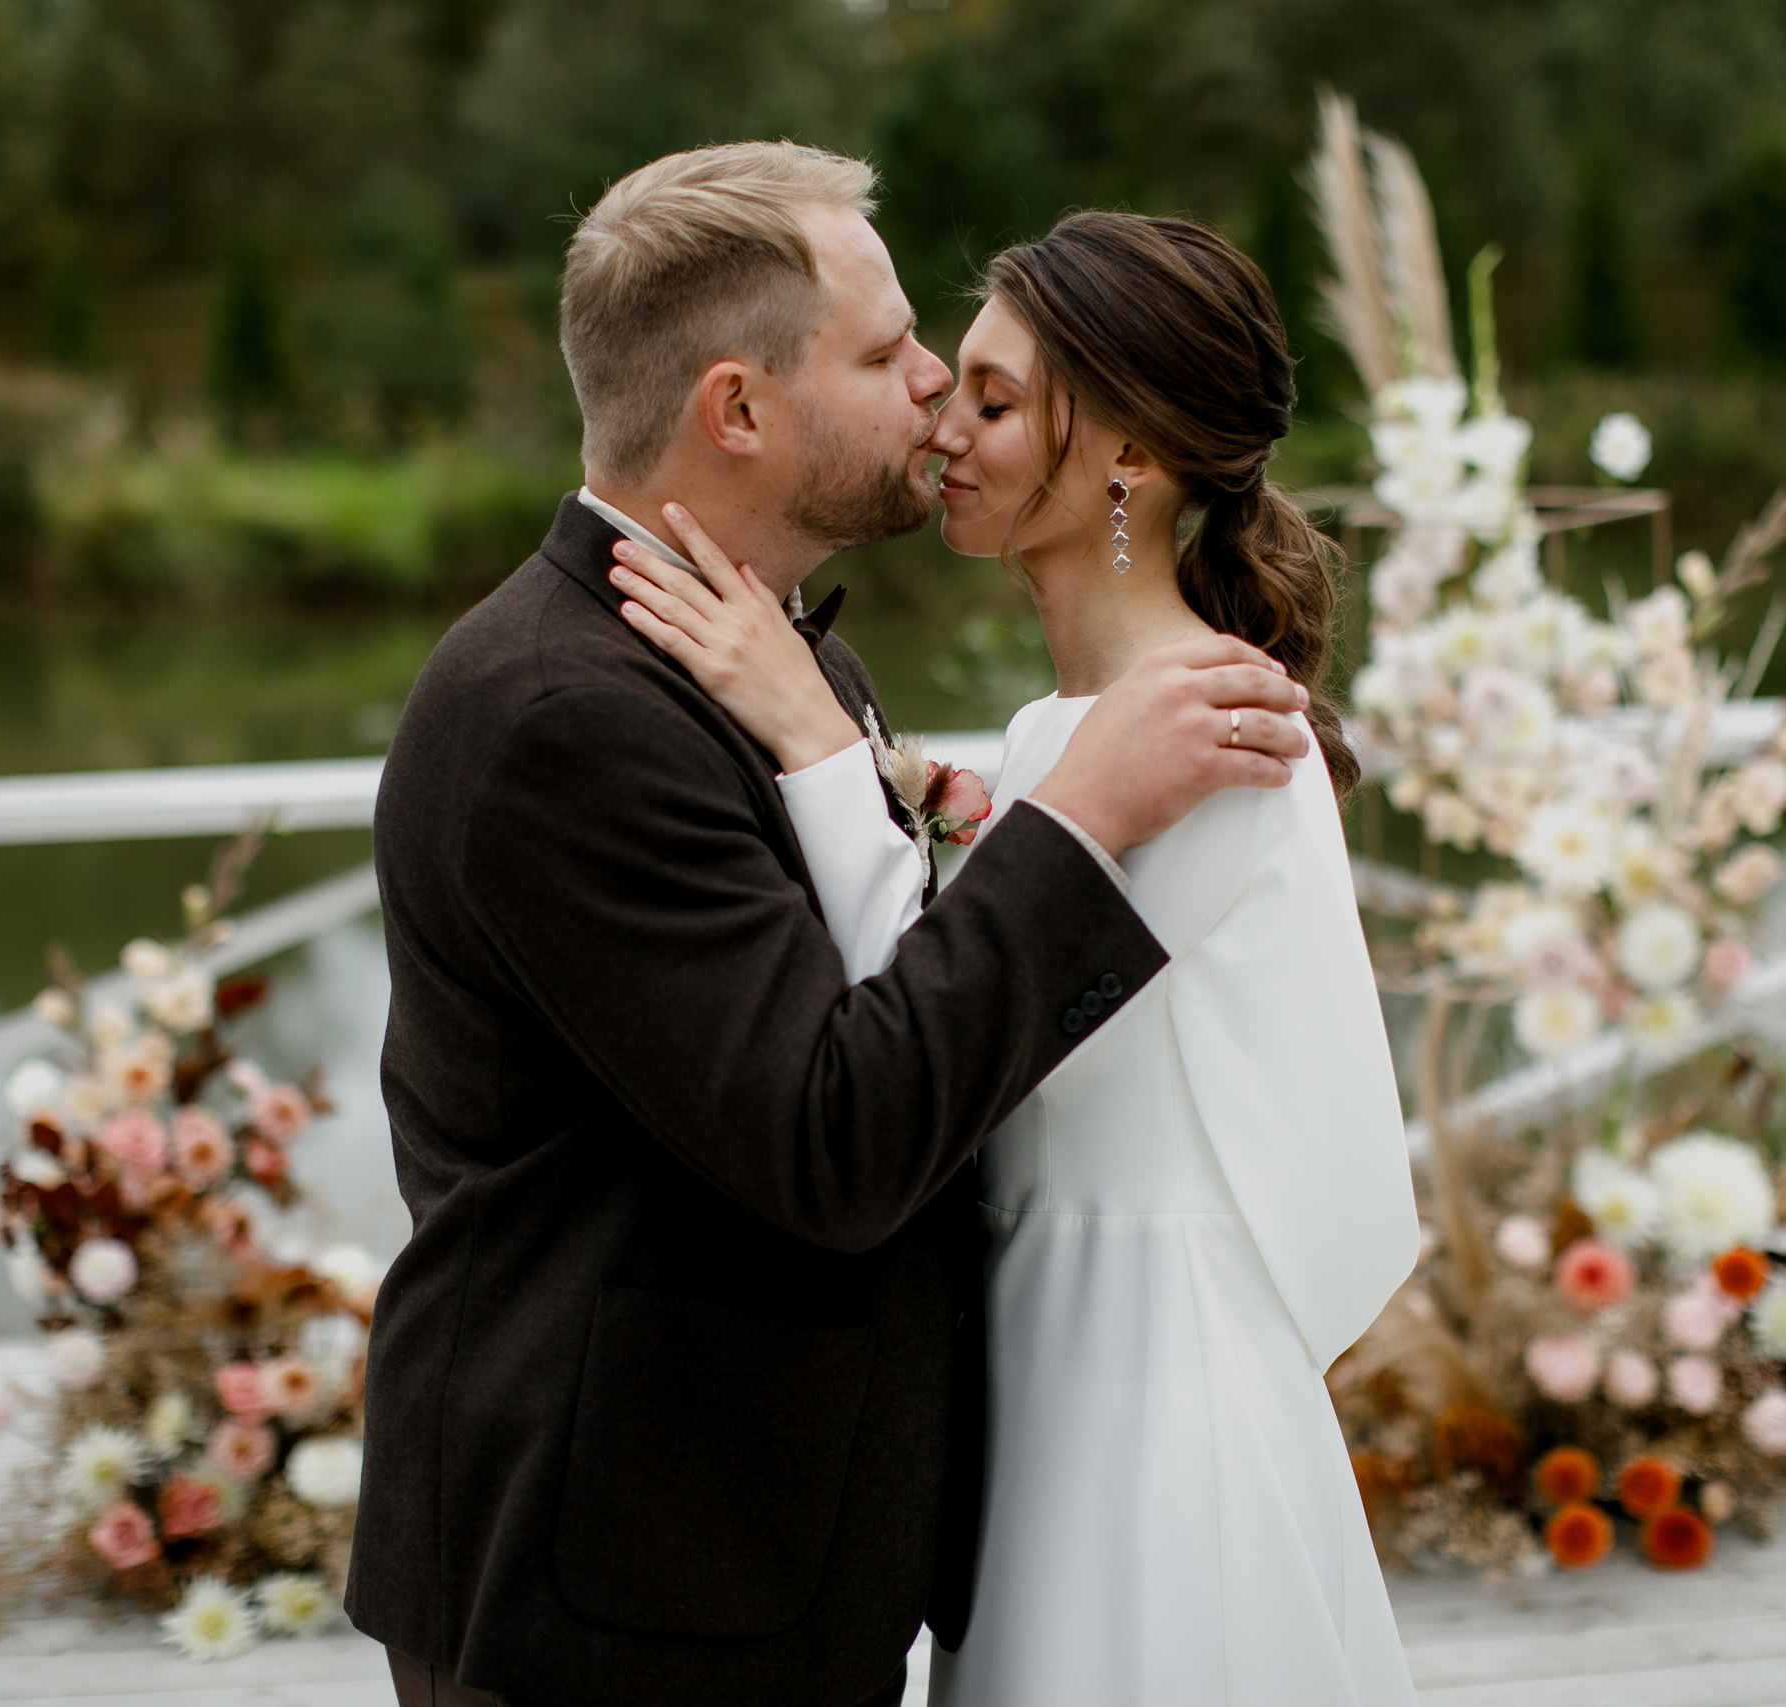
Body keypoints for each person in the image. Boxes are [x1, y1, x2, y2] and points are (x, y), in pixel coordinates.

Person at [345, 146, 1314, 1707]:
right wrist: (1081, 822)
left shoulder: (782, 673)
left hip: (768, 1561)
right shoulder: (558, 716)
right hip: (615, 1594)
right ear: (738, 409)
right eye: (883, 354)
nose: (936, 383)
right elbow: (831, 1138)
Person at [613, 211, 1421, 1706]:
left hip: (1153, 1391)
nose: (945, 429)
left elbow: (954, 1039)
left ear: (1127, 457)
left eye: (993, 401)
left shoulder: (1212, 732)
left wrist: (803, 731)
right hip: (1044, 1361)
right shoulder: (1071, 736)